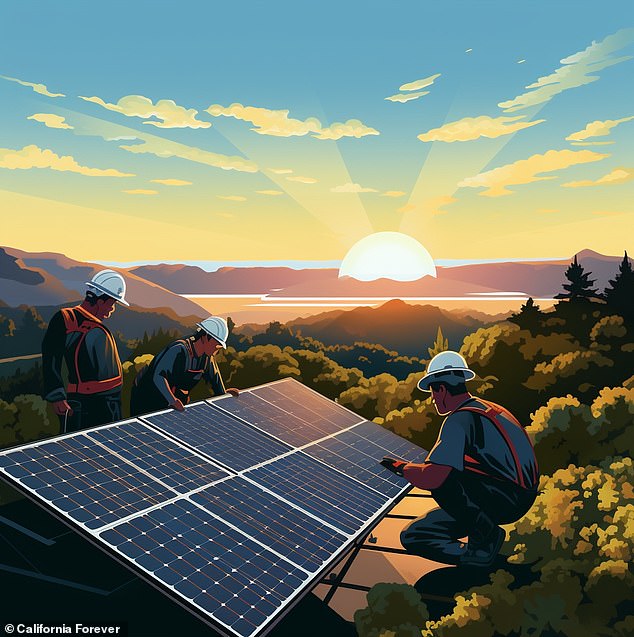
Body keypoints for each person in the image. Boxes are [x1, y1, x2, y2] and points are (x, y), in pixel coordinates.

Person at [381, 350, 539, 568]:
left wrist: (402, 468)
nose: (433, 399)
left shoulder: (459, 419)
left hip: (506, 501)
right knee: (415, 534)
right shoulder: (489, 408)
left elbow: (432, 478)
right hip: (518, 494)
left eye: (433, 392)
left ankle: (482, 546)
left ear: (442, 389)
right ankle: (480, 532)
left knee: (444, 479)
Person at [42, 269, 129, 433]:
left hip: (111, 405)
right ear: (101, 301)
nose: (112, 309)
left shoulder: (95, 325)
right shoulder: (66, 319)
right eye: (113, 303)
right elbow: (50, 358)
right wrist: (57, 397)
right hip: (85, 405)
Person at [130, 316, 239, 416]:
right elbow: (159, 376)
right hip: (147, 399)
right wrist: (172, 400)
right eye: (216, 344)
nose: (217, 349)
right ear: (205, 337)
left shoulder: (207, 359)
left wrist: (223, 396)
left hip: (173, 402)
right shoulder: (179, 350)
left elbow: (215, 380)